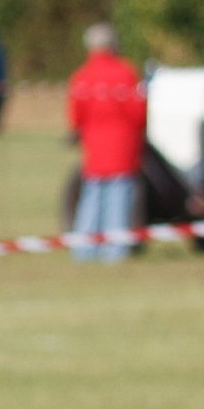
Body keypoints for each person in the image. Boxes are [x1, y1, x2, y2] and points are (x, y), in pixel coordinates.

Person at [67, 23, 146, 265]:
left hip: (94, 150)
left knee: (91, 197)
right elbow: (139, 112)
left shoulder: (81, 76)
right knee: (118, 198)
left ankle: (83, 249)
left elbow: (76, 116)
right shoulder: (126, 73)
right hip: (122, 147)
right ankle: (115, 250)